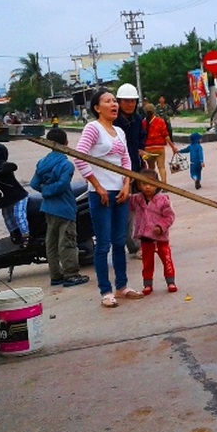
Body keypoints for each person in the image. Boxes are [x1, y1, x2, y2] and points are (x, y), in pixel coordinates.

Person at [74, 88, 142, 308]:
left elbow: (126, 160)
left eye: (114, 101)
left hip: (121, 193)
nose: (114, 104)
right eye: (108, 101)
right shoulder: (93, 129)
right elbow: (79, 158)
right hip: (100, 195)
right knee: (103, 244)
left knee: (119, 241)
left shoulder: (119, 131)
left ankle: (122, 286)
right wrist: (98, 186)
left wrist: (126, 184)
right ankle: (106, 291)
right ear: (97, 108)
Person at [30, 128, 89, 288]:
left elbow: (34, 184)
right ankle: (71, 274)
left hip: (48, 209)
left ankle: (55, 275)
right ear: (66, 143)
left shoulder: (42, 163)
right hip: (64, 208)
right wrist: (49, 191)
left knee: (52, 243)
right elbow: (63, 185)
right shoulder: (66, 164)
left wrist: (45, 190)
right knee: (67, 242)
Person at [129, 170, 177, 295]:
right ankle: (147, 284)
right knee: (147, 262)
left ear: (157, 184)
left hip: (161, 238)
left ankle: (171, 282)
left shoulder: (163, 200)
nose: (147, 187)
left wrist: (161, 227)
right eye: (144, 184)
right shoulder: (136, 199)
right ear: (139, 185)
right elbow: (127, 203)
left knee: (166, 260)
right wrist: (127, 183)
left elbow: (170, 217)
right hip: (146, 238)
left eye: (151, 183)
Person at [113, 83, 145, 255]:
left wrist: (142, 150)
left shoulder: (138, 120)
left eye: (132, 101)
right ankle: (133, 244)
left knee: (139, 206)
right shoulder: (113, 121)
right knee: (126, 211)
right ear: (119, 102)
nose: (129, 104)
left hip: (136, 168)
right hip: (118, 172)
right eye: (126, 101)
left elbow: (141, 138)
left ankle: (139, 242)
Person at [142, 105, 178, 183]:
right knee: (161, 167)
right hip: (159, 148)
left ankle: (153, 184)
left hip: (148, 149)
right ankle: (164, 183)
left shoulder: (143, 122)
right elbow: (166, 136)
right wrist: (173, 147)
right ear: (154, 111)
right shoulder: (160, 121)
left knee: (151, 168)